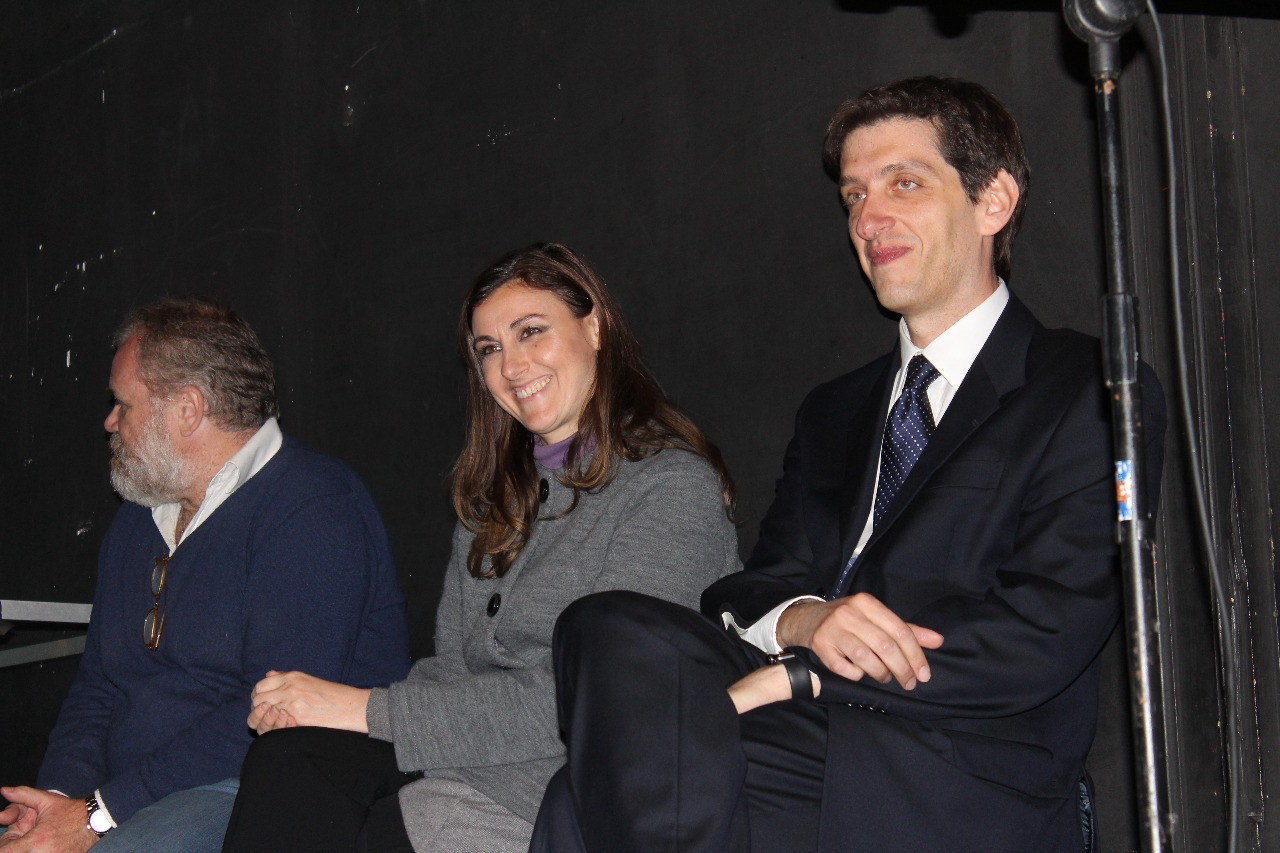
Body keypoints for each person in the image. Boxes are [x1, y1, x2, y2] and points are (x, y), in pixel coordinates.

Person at [529, 76, 1167, 852]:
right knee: (599, 624)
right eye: (855, 196)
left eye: (905, 183)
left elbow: (1048, 628)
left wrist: (813, 672)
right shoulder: (834, 410)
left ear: (993, 201)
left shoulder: (1086, 388)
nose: (868, 219)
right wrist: (808, 621)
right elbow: (752, 585)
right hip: (801, 730)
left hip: (954, 760)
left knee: (581, 798)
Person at [218, 242, 740, 853]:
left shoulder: (670, 488)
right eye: (489, 349)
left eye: (531, 332)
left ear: (595, 327)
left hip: (565, 791)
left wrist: (364, 709)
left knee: (378, 820)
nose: (511, 366)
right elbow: (453, 672)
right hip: (469, 763)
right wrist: (316, 708)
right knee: (291, 760)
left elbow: (594, 703)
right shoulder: (499, 496)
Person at [0, 298, 410, 853]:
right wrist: (55, 800)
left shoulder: (313, 507)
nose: (110, 422)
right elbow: (99, 686)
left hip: (251, 789)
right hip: (126, 799)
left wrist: (98, 815)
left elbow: (271, 713)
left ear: (188, 409)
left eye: (123, 404)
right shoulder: (138, 518)